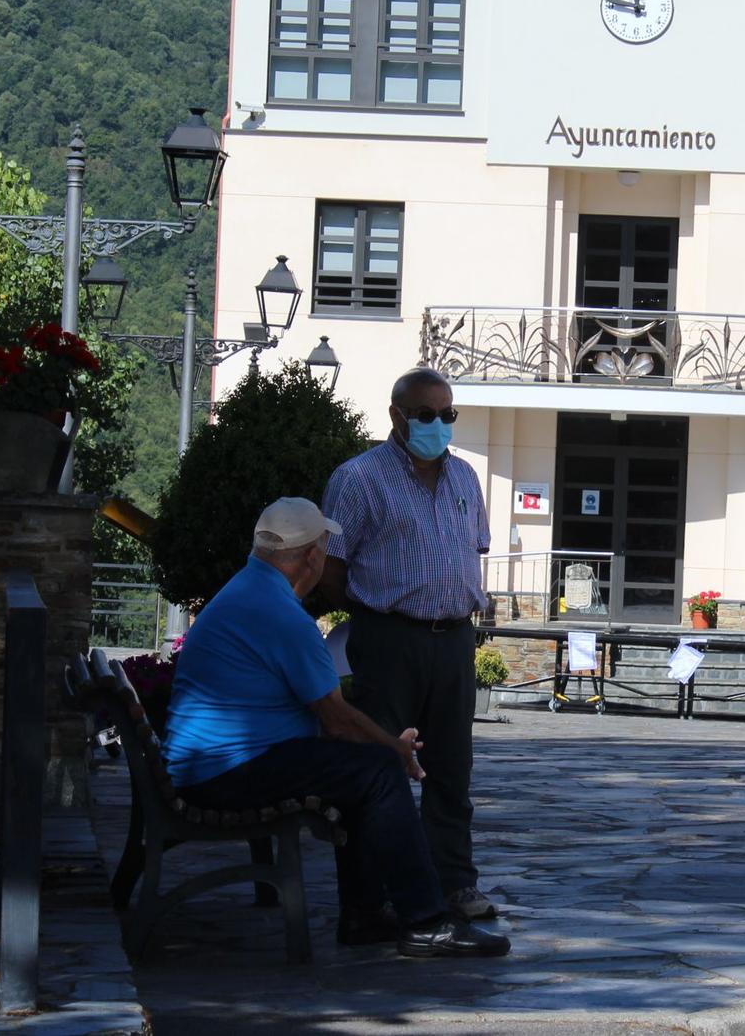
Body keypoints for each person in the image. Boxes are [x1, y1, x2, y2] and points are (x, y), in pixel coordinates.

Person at [162, 497, 509, 957]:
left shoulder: (249, 590)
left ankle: (365, 914)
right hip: (226, 772)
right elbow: (337, 719)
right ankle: (425, 920)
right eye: (325, 549)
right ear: (312, 557)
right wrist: (396, 749)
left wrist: (384, 746)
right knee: (378, 773)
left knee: (365, 769)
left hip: (213, 764)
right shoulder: (281, 614)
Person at [318, 367, 498, 922]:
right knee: (379, 766)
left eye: (448, 415)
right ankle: (374, 894)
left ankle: (453, 884)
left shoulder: (466, 478)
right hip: (389, 637)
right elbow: (330, 569)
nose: (438, 424)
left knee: (452, 770)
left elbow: (476, 548)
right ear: (397, 415)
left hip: (454, 640)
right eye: (426, 415)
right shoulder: (358, 479)